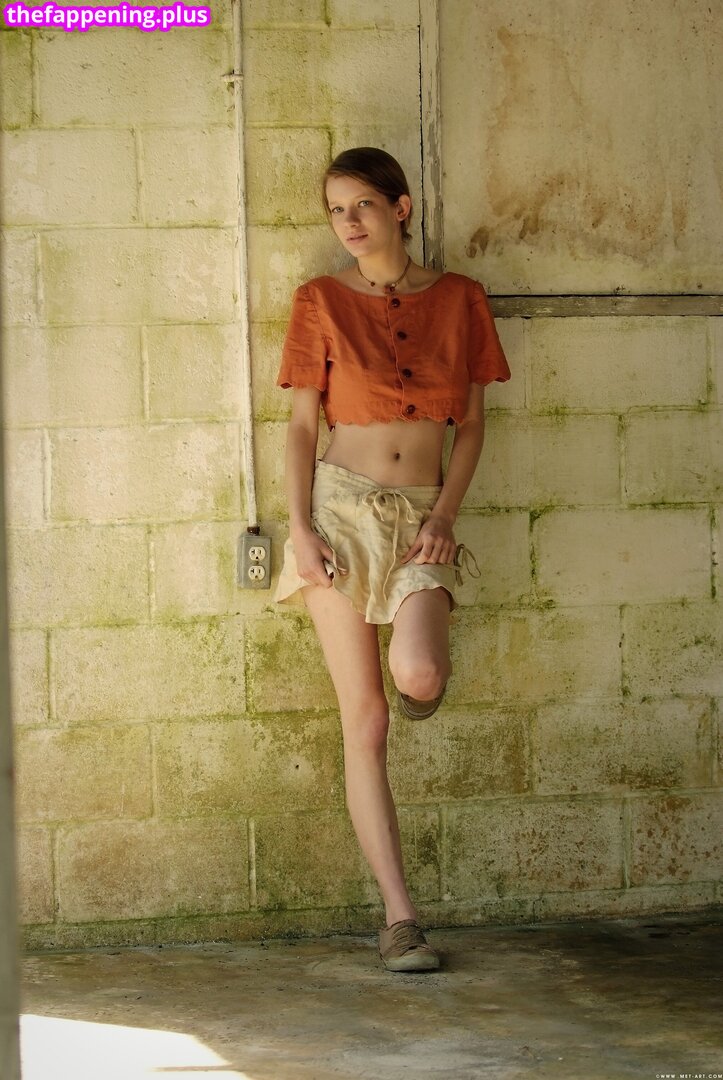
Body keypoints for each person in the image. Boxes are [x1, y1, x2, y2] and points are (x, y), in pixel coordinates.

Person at [272, 147, 511, 972]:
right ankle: (401, 919)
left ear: (400, 208)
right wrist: (299, 529)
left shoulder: (461, 299)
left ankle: (422, 689)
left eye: (363, 205)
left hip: (420, 517)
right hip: (338, 510)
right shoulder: (319, 300)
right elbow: (301, 426)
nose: (348, 222)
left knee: (418, 672)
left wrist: (444, 516)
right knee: (365, 719)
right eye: (336, 209)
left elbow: (470, 426)